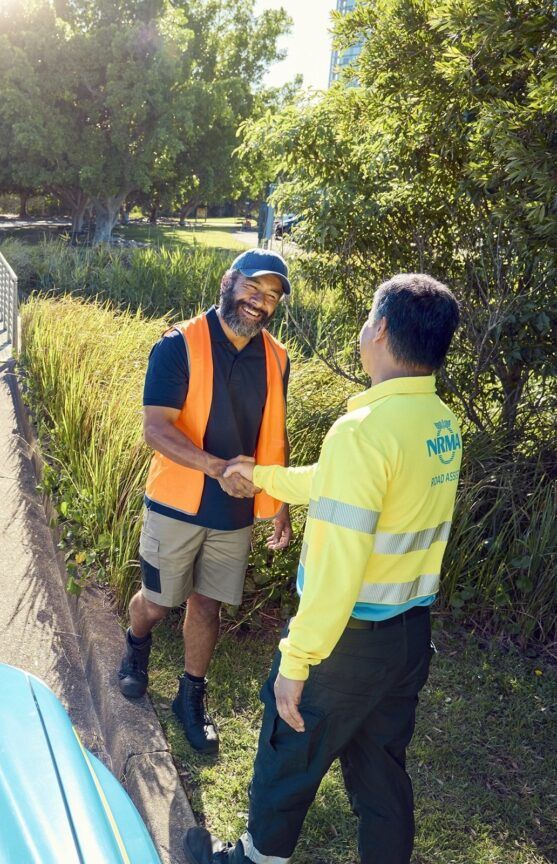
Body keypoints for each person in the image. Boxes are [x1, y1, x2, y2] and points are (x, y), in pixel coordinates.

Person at [184, 274, 462, 864]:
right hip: (409, 637)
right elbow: (338, 484)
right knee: (382, 770)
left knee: (289, 755)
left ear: (381, 330)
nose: (363, 329)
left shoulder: (363, 433)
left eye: (367, 319)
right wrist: (259, 474)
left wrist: (296, 660)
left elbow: (338, 570)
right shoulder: (438, 422)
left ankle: (249, 860)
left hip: (347, 643)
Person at [117, 249, 294, 754]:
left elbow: (272, 436)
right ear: (228, 281)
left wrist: (278, 499)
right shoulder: (179, 344)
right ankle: (136, 648)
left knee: (207, 605)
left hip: (234, 511)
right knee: (157, 601)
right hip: (177, 503)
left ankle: (190, 696)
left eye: (272, 296)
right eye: (253, 289)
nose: (260, 303)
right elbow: (156, 429)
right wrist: (217, 468)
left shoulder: (277, 358)